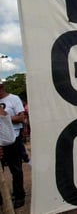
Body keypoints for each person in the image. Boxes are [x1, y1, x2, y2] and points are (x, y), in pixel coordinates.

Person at [0, 81, 26, 209]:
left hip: (13, 138)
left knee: (16, 168)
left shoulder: (13, 99)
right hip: (0, 140)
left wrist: (4, 118)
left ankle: (19, 195)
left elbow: (21, 118)